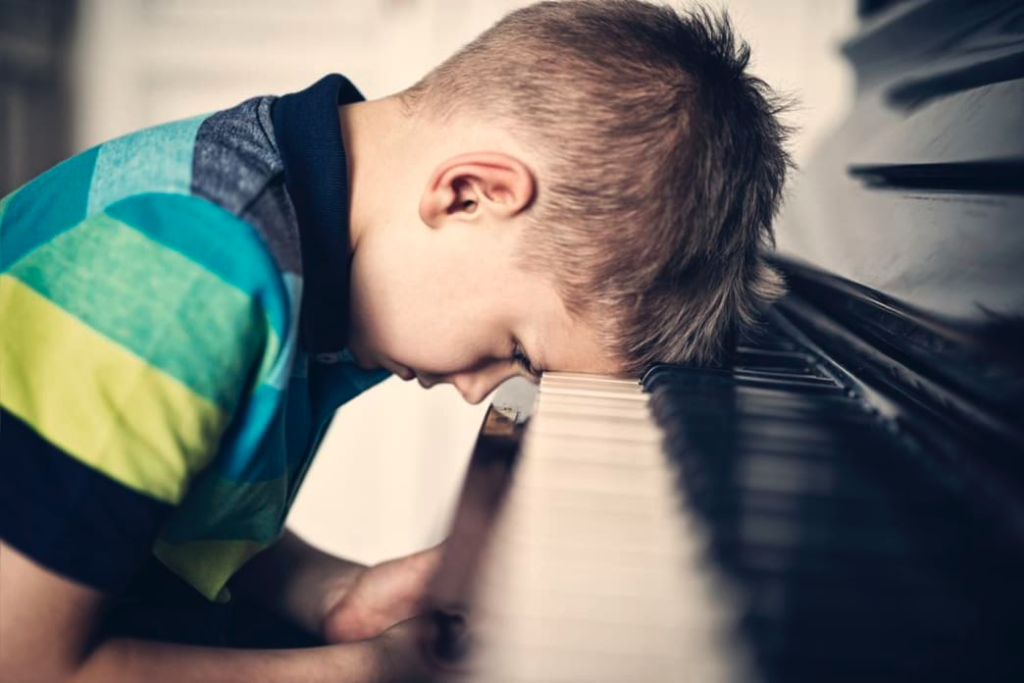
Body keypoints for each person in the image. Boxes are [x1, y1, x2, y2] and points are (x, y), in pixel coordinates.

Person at [0, 1, 790, 680]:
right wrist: (355, 671)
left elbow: (147, 505)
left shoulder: (312, 251)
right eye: (516, 347)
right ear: (469, 194)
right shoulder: (192, 271)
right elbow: (25, 662)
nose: (483, 389)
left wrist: (329, 590)